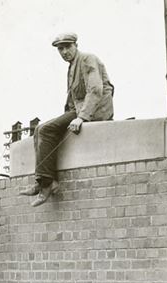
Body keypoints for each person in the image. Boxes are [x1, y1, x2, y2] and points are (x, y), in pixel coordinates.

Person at [20, 33, 114, 207]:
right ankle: (44, 181)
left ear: (76, 45)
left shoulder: (87, 59)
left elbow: (95, 90)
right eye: (60, 49)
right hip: (78, 110)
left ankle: (47, 184)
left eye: (67, 47)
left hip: (95, 111)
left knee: (47, 129)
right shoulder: (72, 66)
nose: (64, 52)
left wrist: (81, 118)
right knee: (40, 129)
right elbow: (72, 99)